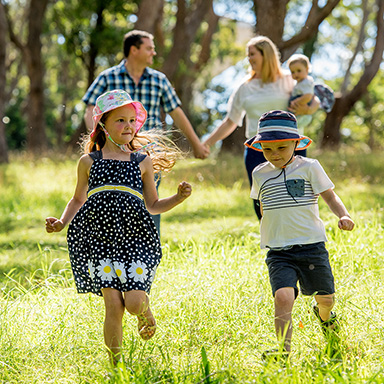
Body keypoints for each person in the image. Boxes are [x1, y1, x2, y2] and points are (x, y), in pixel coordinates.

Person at [45, 90, 192, 365]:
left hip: (134, 240)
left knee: (133, 302)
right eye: (120, 120)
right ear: (102, 125)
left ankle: (145, 311)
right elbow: (78, 199)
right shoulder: (89, 162)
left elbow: (154, 205)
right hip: (99, 242)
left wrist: (179, 197)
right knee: (113, 305)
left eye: (131, 120)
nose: (128, 126)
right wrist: (61, 222)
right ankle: (117, 367)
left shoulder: (142, 161)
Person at [246, 110, 355, 358]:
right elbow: (262, 205)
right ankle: (283, 352)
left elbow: (329, 195)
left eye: (281, 148)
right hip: (278, 250)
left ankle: (325, 317)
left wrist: (343, 215)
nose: (274, 155)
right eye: (267, 150)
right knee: (283, 297)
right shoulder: (259, 173)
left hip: (311, 246)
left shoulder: (310, 168)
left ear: (296, 143)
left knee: (326, 300)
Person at [83, 29, 208, 230]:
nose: (154, 53)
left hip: (147, 151)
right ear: (134, 50)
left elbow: (176, 112)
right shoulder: (108, 77)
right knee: (114, 199)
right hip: (112, 151)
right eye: (149, 48)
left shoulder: (159, 80)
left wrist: (196, 144)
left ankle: (148, 253)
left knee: (150, 202)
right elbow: (90, 109)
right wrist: (98, 140)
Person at [202, 35, 319, 219]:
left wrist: (310, 107)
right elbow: (230, 121)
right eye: (248, 55)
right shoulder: (245, 87)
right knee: (263, 198)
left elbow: (314, 96)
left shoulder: (290, 79)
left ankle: (299, 239)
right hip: (259, 150)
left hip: (291, 148)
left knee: (296, 195)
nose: (249, 59)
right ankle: (272, 241)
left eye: (252, 54)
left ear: (267, 55)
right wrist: (207, 143)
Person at [287, 53, 315, 133]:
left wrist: (296, 102)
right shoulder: (299, 83)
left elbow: (308, 96)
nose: (296, 74)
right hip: (300, 114)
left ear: (307, 69)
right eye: (293, 72)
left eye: (299, 71)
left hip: (302, 114)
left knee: (292, 129)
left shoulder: (306, 82)